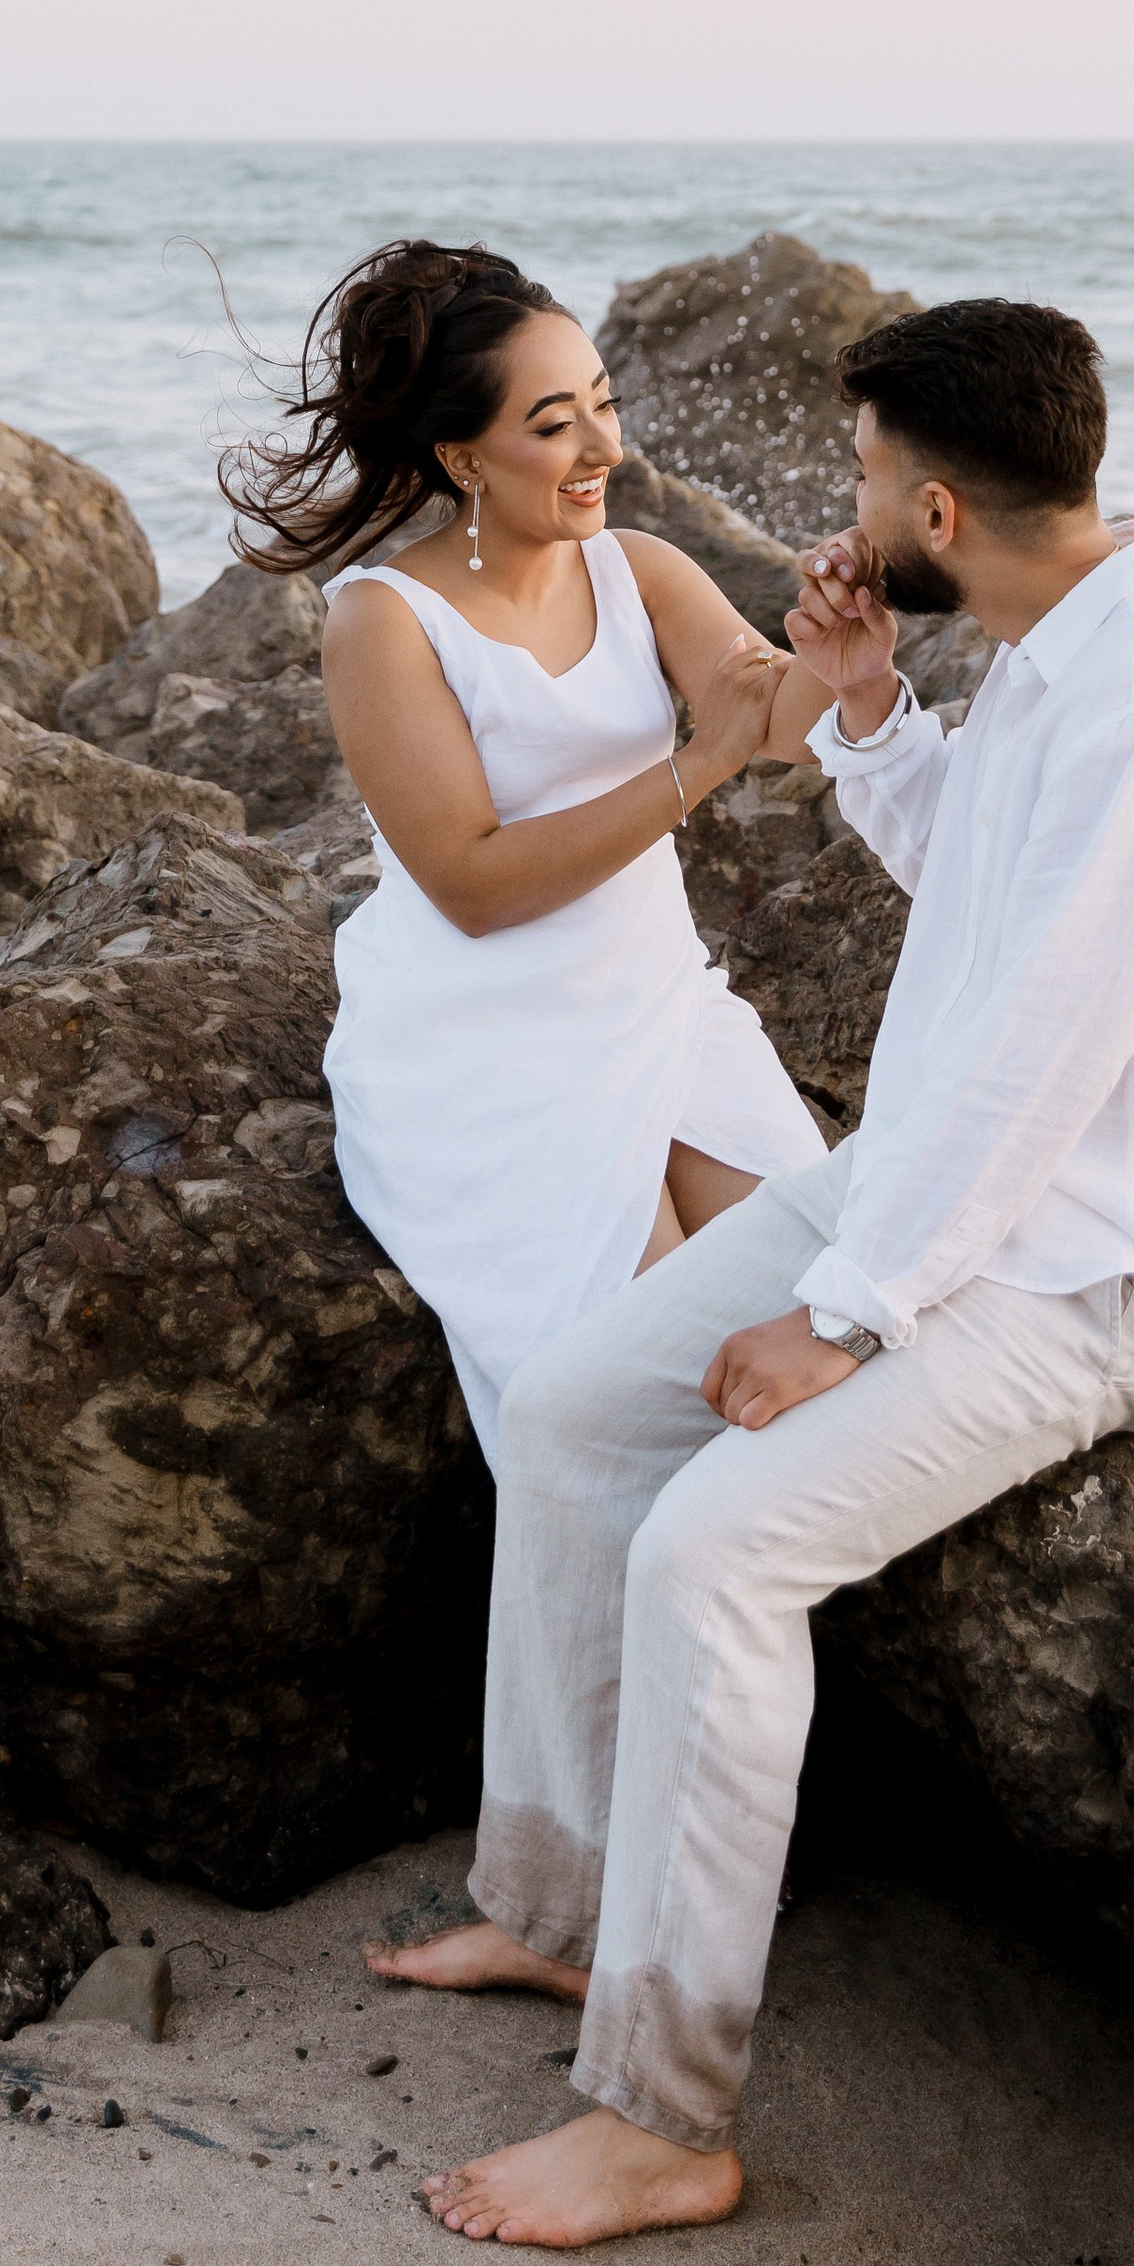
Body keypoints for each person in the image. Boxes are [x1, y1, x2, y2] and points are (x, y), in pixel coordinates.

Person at [368, 295, 1134, 2247]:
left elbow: (1049, 1040)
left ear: (929, 493)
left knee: (714, 1549)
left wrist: (845, 1316)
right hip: (951, 1178)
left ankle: (660, 2111)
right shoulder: (1061, 639)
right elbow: (975, 896)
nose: (842, 502)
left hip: (1102, 1256)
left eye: (854, 473)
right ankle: (561, 1909)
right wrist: (868, 703)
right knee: (564, 1414)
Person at [221, 238, 831, 1468]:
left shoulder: (642, 569)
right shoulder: (383, 620)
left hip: (658, 1001)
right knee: (663, 1405)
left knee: (828, 1300)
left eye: (604, 403)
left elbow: (780, 719)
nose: (605, 447)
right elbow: (474, 882)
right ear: (462, 456)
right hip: (490, 1045)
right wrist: (695, 764)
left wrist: (845, 644)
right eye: (555, 425)